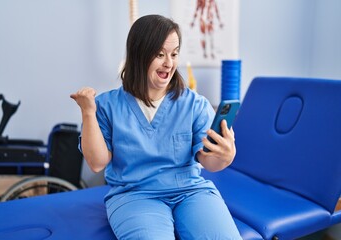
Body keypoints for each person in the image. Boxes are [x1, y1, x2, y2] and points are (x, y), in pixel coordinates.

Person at [70, 14, 241, 240]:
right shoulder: (106, 105)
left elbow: (208, 161)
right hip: (134, 196)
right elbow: (97, 162)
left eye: (174, 53)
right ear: (138, 55)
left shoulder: (194, 104)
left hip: (191, 192)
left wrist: (226, 156)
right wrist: (88, 112)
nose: (169, 63)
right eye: (160, 54)